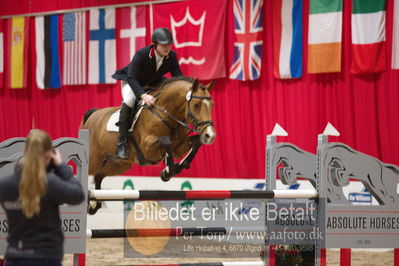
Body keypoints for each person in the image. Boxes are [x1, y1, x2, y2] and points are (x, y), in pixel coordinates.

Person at [0, 130, 85, 266]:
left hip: (14, 256)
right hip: (46, 257)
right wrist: (61, 166)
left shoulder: (5, 185)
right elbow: (78, 195)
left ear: (24, 151)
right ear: (48, 156)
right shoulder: (50, 184)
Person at [112, 27, 183, 159]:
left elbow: (178, 78)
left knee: (168, 89)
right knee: (129, 101)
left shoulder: (172, 56)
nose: (167, 47)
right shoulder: (141, 54)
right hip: (132, 81)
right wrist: (143, 95)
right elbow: (131, 78)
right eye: (163, 45)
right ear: (155, 44)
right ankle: (121, 144)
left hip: (153, 81)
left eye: (169, 44)